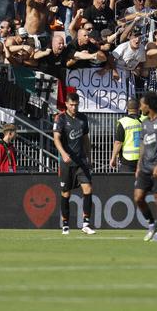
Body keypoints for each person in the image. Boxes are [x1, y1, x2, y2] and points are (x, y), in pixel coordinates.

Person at [53, 92, 96, 235]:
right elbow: (56, 139)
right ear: (66, 104)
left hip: (81, 161)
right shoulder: (60, 119)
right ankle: (65, 224)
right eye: (71, 105)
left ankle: (86, 224)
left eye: (76, 105)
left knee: (88, 189)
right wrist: (64, 154)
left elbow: (85, 139)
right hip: (67, 163)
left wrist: (89, 156)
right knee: (66, 193)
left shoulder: (83, 118)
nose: (74, 107)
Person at [134, 91, 157, 242]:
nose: (140, 107)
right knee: (138, 198)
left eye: (142, 104)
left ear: (148, 106)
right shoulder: (144, 123)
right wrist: (138, 165)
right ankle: (151, 223)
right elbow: (142, 145)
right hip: (144, 167)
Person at [110, 98, 144, 174]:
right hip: (143, 159)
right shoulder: (145, 120)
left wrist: (113, 158)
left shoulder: (123, 122)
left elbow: (118, 143)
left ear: (127, 108)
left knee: (126, 183)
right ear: (139, 108)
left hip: (128, 160)